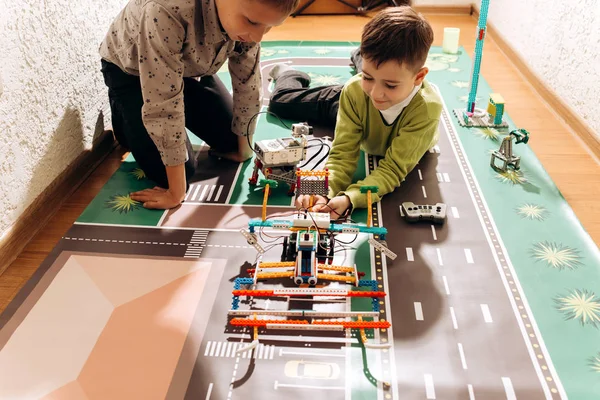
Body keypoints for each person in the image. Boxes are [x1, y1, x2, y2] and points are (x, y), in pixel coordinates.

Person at [99, 0, 298, 209]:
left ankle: (180, 99)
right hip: (133, 74)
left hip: (190, 69)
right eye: (252, 22)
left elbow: (247, 81)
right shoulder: (165, 10)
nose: (258, 37)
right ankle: (125, 115)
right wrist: (175, 193)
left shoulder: (244, 14)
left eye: (269, 27)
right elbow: (163, 103)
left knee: (235, 140)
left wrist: (243, 151)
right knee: (178, 175)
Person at [268, 5, 442, 219]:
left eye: (390, 85)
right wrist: (322, 191)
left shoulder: (426, 110)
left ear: (419, 77)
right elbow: (341, 155)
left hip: (369, 112)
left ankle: (361, 58)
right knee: (280, 102)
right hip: (349, 104)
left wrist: (350, 198)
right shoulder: (356, 91)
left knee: (375, 77)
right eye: (368, 77)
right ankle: (292, 73)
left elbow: (392, 169)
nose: (377, 94)